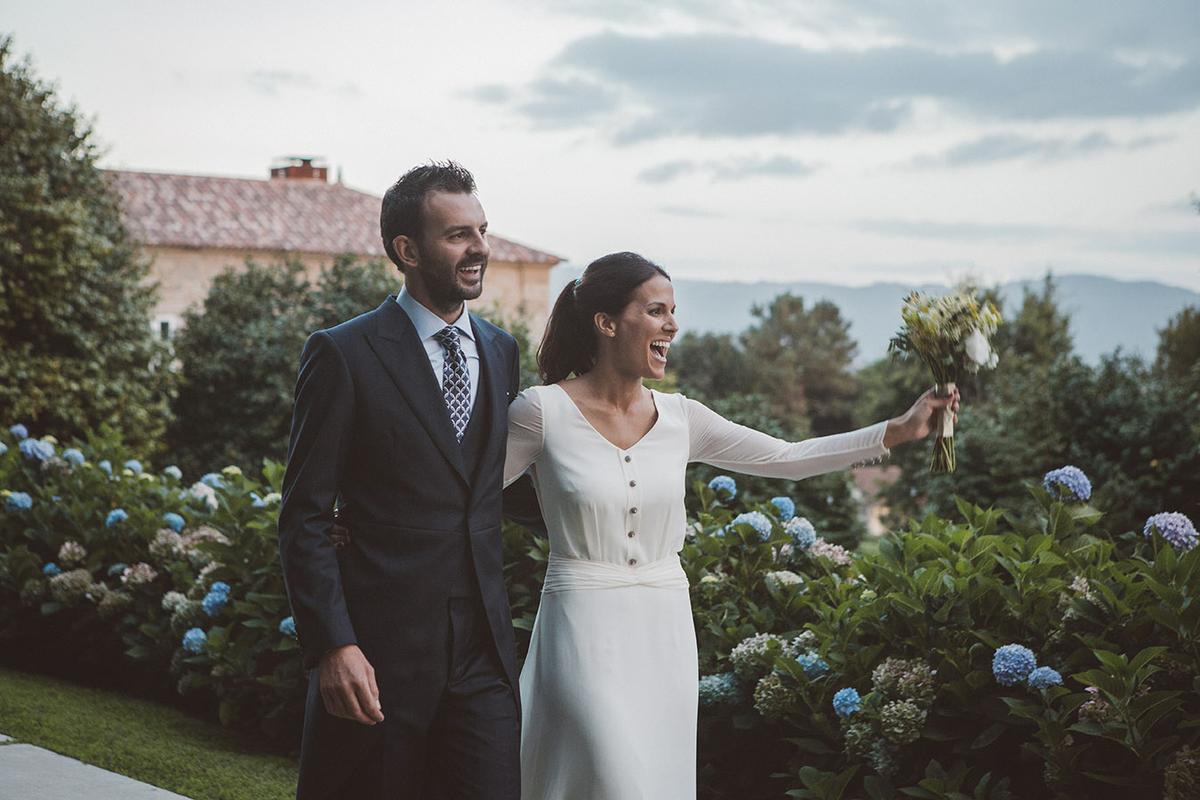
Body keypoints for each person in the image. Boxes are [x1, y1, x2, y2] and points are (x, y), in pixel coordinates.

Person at [504, 252, 959, 799]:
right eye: (656, 311)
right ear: (607, 323)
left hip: (664, 628)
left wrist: (898, 430)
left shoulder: (682, 418)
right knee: (609, 773)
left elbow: (788, 457)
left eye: (673, 311)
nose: (672, 325)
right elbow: (463, 499)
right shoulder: (540, 412)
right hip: (579, 625)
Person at [278, 161, 529, 799]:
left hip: (483, 652)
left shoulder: (502, 351)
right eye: (458, 235)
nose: (479, 248)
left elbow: (491, 483)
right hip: (380, 653)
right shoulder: (344, 353)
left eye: (481, 230)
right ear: (407, 250)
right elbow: (305, 515)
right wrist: (333, 646)